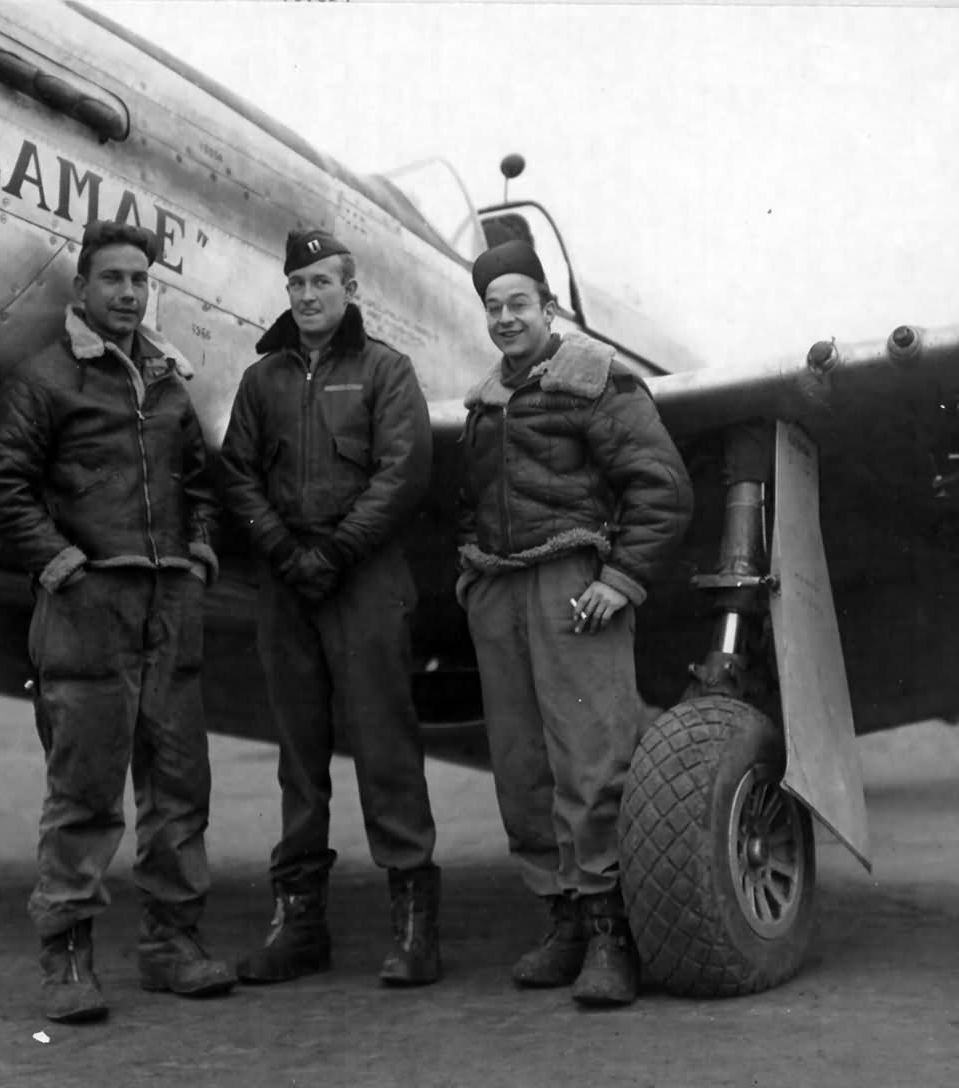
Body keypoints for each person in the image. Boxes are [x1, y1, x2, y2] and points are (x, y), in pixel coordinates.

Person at [0, 221, 235, 1023]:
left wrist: (198, 555)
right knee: (84, 790)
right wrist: (62, 568)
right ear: (81, 289)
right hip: (87, 609)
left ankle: (172, 946)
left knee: (179, 786)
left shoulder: (166, 386)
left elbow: (201, 482)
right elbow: (0, 486)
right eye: (113, 279)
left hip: (170, 608)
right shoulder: (43, 382)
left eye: (139, 281)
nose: (127, 293)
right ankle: (69, 961)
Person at [455, 239, 693, 1007]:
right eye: (493, 307)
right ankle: (560, 920)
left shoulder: (595, 380)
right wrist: (471, 580)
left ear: (549, 309)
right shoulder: (485, 400)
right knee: (522, 767)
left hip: (570, 588)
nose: (505, 319)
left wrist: (620, 579)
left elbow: (662, 488)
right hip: (499, 589)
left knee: (592, 763)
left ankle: (610, 936)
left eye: (519, 304)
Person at [218, 229, 442, 987]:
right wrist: (286, 554)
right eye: (297, 285)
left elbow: (403, 472)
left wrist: (336, 553)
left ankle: (414, 929)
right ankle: (299, 925)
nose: (308, 297)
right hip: (288, 583)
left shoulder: (387, 371)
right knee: (298, 754)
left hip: (364, 578)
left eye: (321, 283)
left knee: (386, 748)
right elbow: (238, 473)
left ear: (351, 290)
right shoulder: (263, 381)